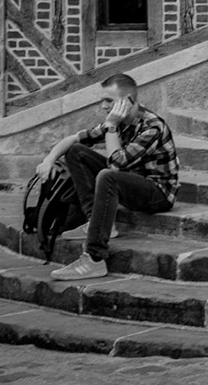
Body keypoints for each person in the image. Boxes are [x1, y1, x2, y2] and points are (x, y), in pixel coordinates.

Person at [38, 72, 178, 280]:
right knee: (76, 151)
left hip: (157, 192)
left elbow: (116, 164)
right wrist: (48, 160)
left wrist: (111, 125)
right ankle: (97, 221)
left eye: (108, 101)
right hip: (129, 181)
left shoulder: (152, 127)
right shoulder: (119, 120)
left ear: (128, 101)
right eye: (102, 100)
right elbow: (73, 138)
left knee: (107, 175)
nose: (103, 106)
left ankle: (94, 258)